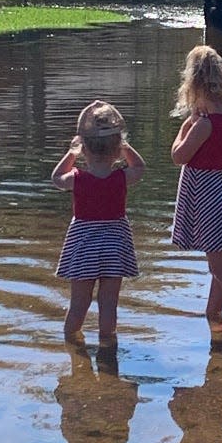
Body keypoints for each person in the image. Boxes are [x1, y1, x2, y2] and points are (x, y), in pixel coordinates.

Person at [52, 100, 145, 344]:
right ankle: (107, 354)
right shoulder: (121, 178)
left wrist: (71, 153)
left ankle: (73, 353)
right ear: (117, 149)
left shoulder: (77, 178)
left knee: (78, 306)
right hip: (114, 247)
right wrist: (124, 146)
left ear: (84, 148)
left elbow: (56, 178)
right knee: (108, 306)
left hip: (84, 247)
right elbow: (140, 167)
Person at [170, 45, 222, 334]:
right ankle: (213, 313)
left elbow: (178, 156)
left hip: (206, 197)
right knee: (219, 264)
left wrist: (187, 125)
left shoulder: (203, 124)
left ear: (194, 84)